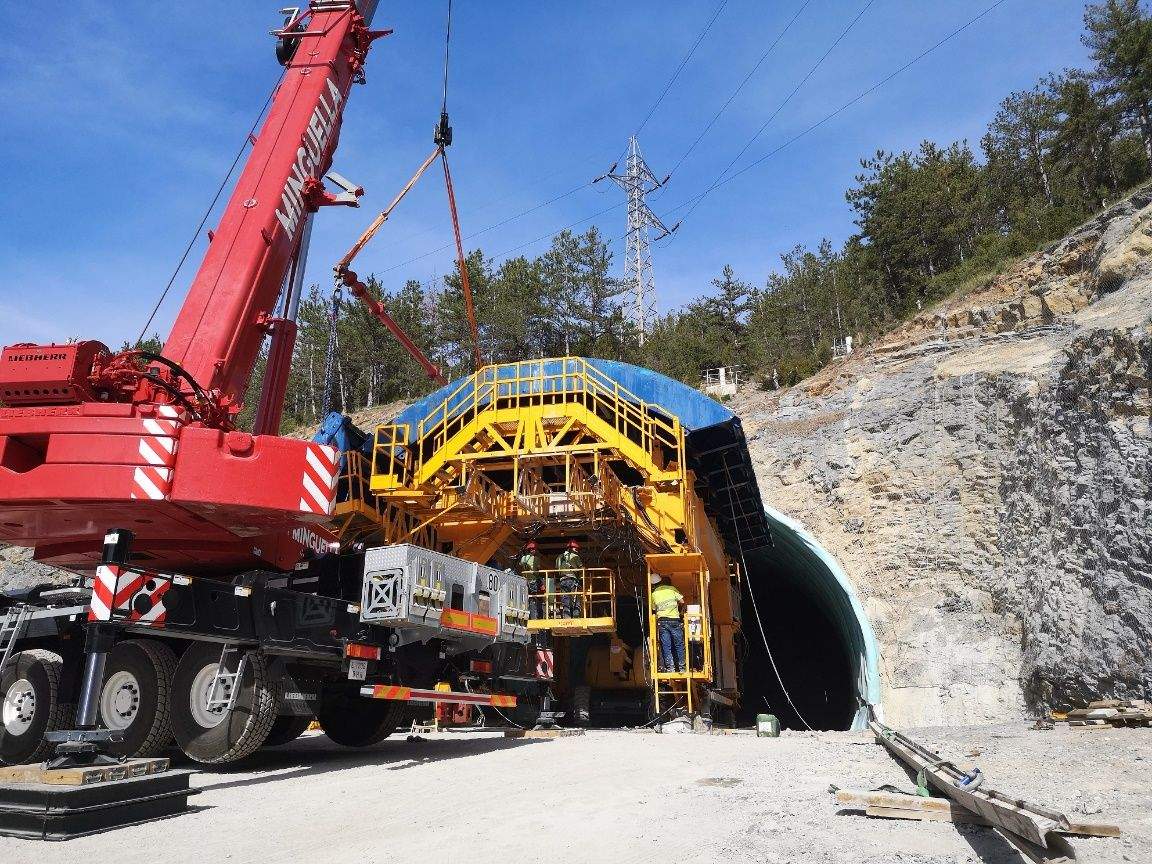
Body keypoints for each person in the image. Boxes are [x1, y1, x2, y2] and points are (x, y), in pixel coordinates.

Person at [651, 574, 686, 673]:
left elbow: (653, 608)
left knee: (666, 646)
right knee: (679, 644)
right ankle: (682, 668)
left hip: (662, 622)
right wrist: (679, 611)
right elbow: (682, 601)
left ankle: (670, 668)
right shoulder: (672, 589)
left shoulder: (654, 593)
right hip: (674, 620)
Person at [555, 540, 584, 619]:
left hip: (562, 580)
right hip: (572, 580)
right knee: (575, 598)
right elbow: (581, 569)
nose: (577, 551)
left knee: (565, 599)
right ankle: (576, 615)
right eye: (576, 549)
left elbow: (557, 568)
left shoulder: (559, 557)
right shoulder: (575, 557)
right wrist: (582, 579)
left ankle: (567, 616)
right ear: (571, 548)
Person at [518, 541, 544, 619]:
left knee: (527, 598)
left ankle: (528, 616)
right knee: (534, 599)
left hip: (525, 581)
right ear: (532, 550)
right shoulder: (536, 559)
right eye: (534, 549)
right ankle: (535, 617)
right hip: (533, 581)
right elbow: (538, 569)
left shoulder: (523, 558)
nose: (534, 551)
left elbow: (520, 565)